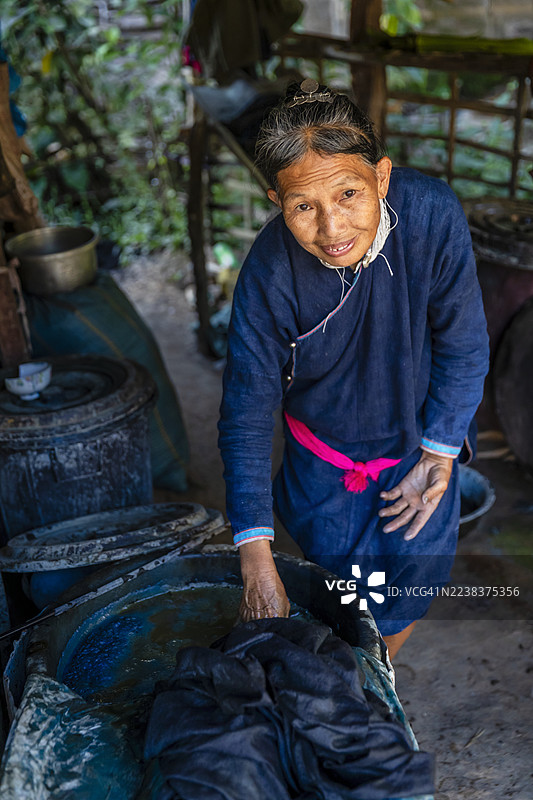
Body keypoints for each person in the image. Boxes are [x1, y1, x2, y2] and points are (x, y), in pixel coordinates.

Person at [218, 79, 489, 659]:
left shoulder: (431, 216)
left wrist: (440, 455)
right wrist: (255, 556)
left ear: (383, 178)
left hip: (417, 455)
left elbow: (463, 346)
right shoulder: (270, 273)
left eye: (348, 194)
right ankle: (362, 678)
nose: (332, 229)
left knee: (399, 603)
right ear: (276, 203)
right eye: (303, 207)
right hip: (324, 468)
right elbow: (245, 412)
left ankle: (375, 677)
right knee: (335, 598)